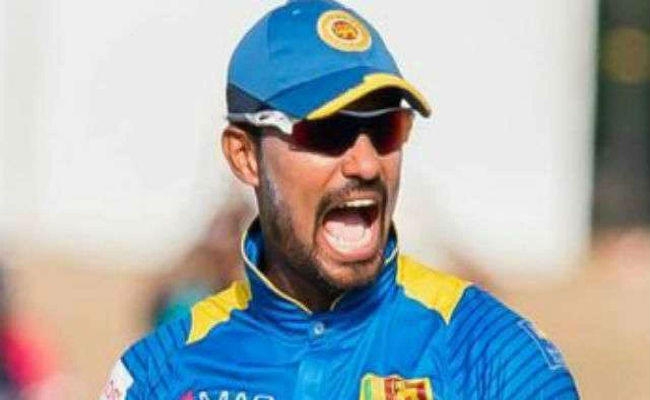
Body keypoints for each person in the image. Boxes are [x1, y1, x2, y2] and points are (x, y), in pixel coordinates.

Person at [101, 1, 579, 398]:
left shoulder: (498, 360)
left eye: (386, 128)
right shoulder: (159, 373)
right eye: (328, 131)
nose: (366, 164)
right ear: (245, 156)